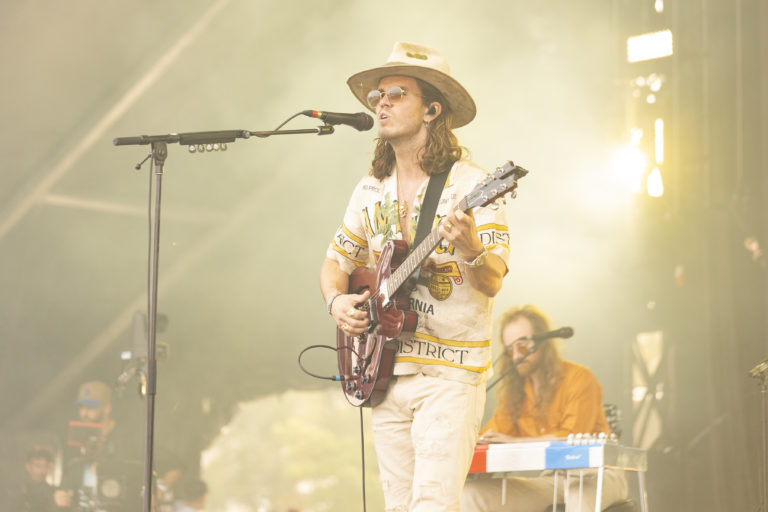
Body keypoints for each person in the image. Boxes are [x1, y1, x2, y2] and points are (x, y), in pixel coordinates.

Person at [320, 41, 510, 511]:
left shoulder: (472, 185)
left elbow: (493, 280)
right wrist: (336, 302)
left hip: (449, 373)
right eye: (377, 96)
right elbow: (334, 263)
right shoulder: (370, 189)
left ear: (431, 109)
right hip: (385, 372)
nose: (381, 103)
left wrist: (469, 249)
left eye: (396, 94)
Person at [461, 305, 628, 511]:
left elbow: (571, 440)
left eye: (522, 347)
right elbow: (490, 438)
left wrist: (513, 442)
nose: (515, 357)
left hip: (599, 474)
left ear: (543, 342)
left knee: (578, 491)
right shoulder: (515, 394)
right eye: (509, 350)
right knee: (471, 494)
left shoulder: (580, 378)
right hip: (553, 478)